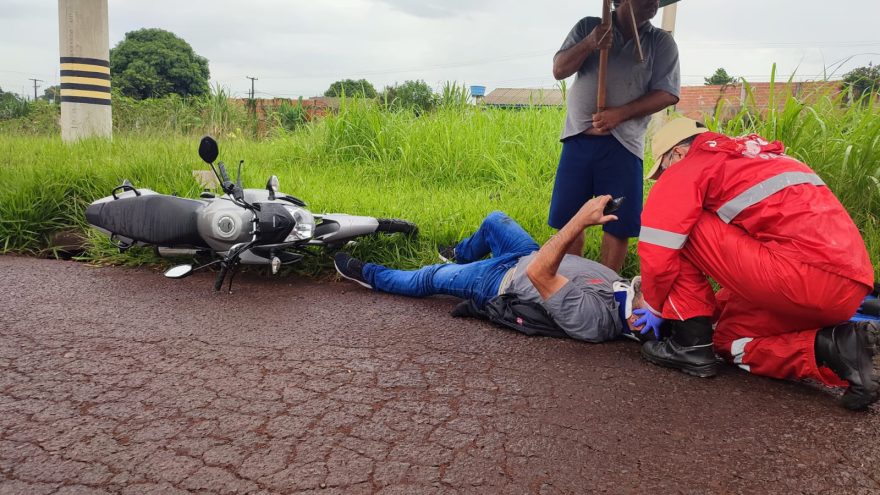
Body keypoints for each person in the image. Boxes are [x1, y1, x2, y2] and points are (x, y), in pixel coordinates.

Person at [637, 117, 880, 410]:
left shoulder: (691, 166)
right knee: (727, 337)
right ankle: (832, 347)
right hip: (848, 289)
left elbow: (658, 250)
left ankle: (690, 344)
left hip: (800, 277)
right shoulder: (756, 157)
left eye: (661, 170)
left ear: (676, 153)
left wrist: (652, 304)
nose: (662, 178)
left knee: (681, 225)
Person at [334, 196, 656, 343]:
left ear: (637, 322)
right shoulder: (622, 289)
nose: (654, 290)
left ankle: (369, 275)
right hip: (524, 255)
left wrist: (580, 220)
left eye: (655, 301)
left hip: (499, 281)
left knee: (429, 277)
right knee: (494, 221)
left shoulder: (594, 320)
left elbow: (540, 273)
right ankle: (459, 255)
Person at [549, 0, 680, 272]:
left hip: (623, 145)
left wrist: (620, 113)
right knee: (571, 220)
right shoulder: (589, 25)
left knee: (618, 224)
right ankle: (574, 282)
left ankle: (607, 289)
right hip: (578, 140)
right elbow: (559, 70)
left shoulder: (660, 42)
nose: (653, 3)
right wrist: (590, 42)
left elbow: (667, 93)